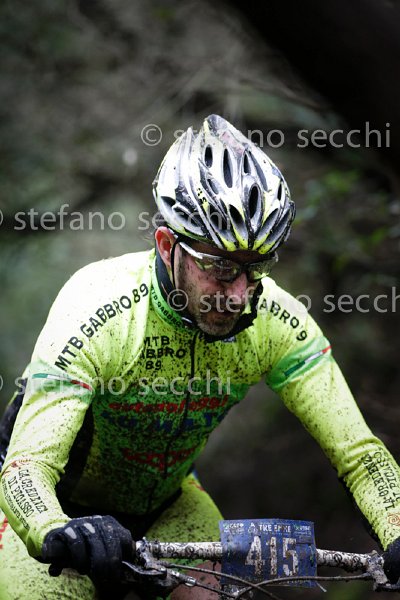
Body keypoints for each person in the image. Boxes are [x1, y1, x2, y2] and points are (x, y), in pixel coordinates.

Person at [1, 113, 400, 599]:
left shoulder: (276, 321)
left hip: (171, 505)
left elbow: (359, 454)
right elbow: (27, 467)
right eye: (220, 268)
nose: (239, 294)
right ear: (166, 245)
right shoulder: (98, 307)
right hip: (58, 510)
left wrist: (397, 526)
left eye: (256, 268)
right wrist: (52, 528)